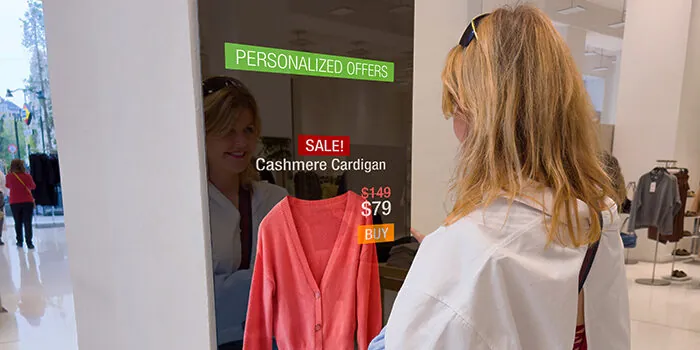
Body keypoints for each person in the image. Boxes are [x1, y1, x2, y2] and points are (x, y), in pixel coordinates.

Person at [373, 5, 630, 350]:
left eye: (456, 110)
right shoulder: (597, 219)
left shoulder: (467, 252)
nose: (456, 129)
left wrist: (441, 268)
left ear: (479, 118)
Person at [203, 76, 288, 350]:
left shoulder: (274, 200)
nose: (241, 142)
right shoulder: (188, 208)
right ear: (201, 133)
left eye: (248, 130)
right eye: (228, 130)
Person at [6, 159, 36, 250]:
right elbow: (33, 186)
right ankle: (29, 242)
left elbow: (8, 186)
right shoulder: (27, 176)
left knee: (17, 222)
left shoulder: (9, 176)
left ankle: (19, 241)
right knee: (28, 222)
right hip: (27, 201)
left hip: (14, 202)